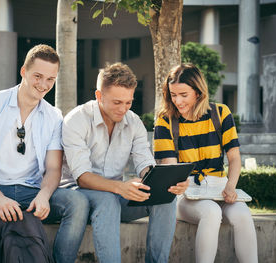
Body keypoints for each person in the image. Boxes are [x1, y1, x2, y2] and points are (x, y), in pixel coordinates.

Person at [0, 44, 89, 263]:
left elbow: (54, 168)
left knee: (78, 203)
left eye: (50, 79)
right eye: (38, 76)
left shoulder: (54, 116)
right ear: (23, 72)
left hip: (31, 192)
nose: (43, 85)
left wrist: (44, 196)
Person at [60, 62, 189, 263]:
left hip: (117, 196)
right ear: (99, 96)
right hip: (78, 195)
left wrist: (162, 181)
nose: (123, 109)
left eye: (128, 102)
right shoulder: (76, 120)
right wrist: (120, 187)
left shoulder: (133, 122)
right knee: (108, 200)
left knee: (166, 199)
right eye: (117, 102)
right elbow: (82, 178)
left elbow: (145, 162)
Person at [153, 63, 258, 263]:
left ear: (198, 92)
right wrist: (181, 185)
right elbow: (170, 168)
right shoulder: (165, 120)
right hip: (185, 193)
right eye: (173, 95)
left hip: (220, 187)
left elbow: (234, 158)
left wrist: (230, 186)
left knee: (243, 214)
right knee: (210, 211)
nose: (177, 101)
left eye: (184, 95)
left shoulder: (221, 113)